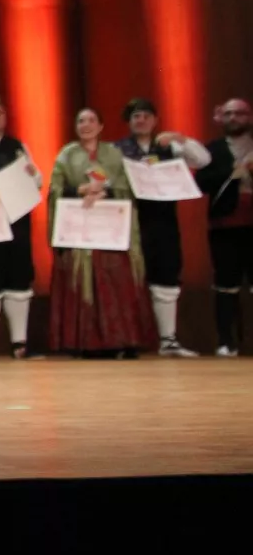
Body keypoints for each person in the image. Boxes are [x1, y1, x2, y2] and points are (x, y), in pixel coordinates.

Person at [46, 108, 155, 357]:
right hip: (80, 231)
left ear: (101, 126)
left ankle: (124, 341)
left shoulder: (114, 154)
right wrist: (79, 191)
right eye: (81, 120)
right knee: (83, 280)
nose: (86, 125)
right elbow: (55, 191)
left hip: (110, 230)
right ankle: (87, 343)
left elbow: (127, 186)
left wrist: (106, 192)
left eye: (91, 120)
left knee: (116, 282)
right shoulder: (66, 155)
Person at [117, 96, 209, 358]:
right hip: (130, 222)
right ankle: (127, 340)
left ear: (155, 120)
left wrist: (180, 138)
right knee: (129, 280)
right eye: (136, 116)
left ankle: (168, 340)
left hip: (163, 220)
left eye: (146, 116)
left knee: (167, 275)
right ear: (129, 122)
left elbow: (203, 160)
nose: (141, 120)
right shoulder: (117, 149)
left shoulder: (170, 146)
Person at [0, 92, 43, 358]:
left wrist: (33, 175)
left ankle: (19, 343)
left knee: (19, 278)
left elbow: (37, 179)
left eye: (0, 113)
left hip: (18, 220)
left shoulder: (18, 146)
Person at [196, 98, 253, 356]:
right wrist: (230, 172)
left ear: (249, 117)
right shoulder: (213, 150)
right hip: (224, 226)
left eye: (239, 113)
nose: (233, 118)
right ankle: (226, 342)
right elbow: (201, 183)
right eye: (228, 113)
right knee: (225, 285)